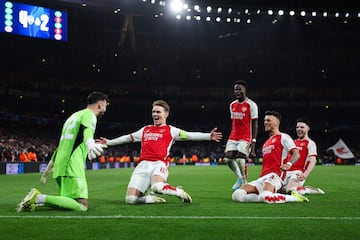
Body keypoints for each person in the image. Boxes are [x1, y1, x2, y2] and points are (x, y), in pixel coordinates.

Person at [100, 100, 222, 204]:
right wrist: (109, 142)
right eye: (153, 112)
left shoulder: (171, 130)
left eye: (158, 112)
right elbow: (127, 138)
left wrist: (208, 136)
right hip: (142, 166)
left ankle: (179, 192)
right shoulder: (145, 130)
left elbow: (189, 135)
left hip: (159, 164)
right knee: (130, 200)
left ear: (166, 114)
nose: (155, 114)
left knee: (157, 186)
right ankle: (151, 199)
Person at [16, 91, 109, 212]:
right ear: (100, 105)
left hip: (60, 166)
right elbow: (87, 131)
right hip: (72, 166)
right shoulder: (89, 115)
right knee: (82, 205)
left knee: (66, 202)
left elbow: (63, 145)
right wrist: (90, 143)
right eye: (106, 106)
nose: (105, 110)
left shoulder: (73, 117)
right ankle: (38, 198)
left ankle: (35, 202)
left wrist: (48, 168)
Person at [232, 110, 309, 203]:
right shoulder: (266, 143)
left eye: (268, 120)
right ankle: (267, 196)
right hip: (262, 178)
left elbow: (296, 153)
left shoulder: (283, 137)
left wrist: (289, 164)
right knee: (237, 195)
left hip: (275, 176)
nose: (265, 123)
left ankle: (296, 198)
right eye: (265, 121)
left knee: (264, 197)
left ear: (276, 123)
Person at [224, 80, 258, 191]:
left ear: (245, 90)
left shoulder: (251, 105)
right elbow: (233, 123)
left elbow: (255, 124)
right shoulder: (232, 105)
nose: (237, 91)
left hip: (246, 136)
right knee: (228, 159)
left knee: (239, 159)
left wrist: (253, 142)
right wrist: (229, 139)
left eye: (239, 89)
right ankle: (239, 177)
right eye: (235, 89)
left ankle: (244, 181)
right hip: (233, 136)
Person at [282, 118, 325, 195]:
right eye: (297, 127)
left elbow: (313, 160)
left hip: (298, 173)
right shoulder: (292, 142)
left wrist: (305, 174)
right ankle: (304, 188)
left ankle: (309, 190)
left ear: (308, 128)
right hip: (285, 172)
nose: (299, 129)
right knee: (276, 190)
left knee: (291, 191)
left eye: (302, 127)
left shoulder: (310, 143)